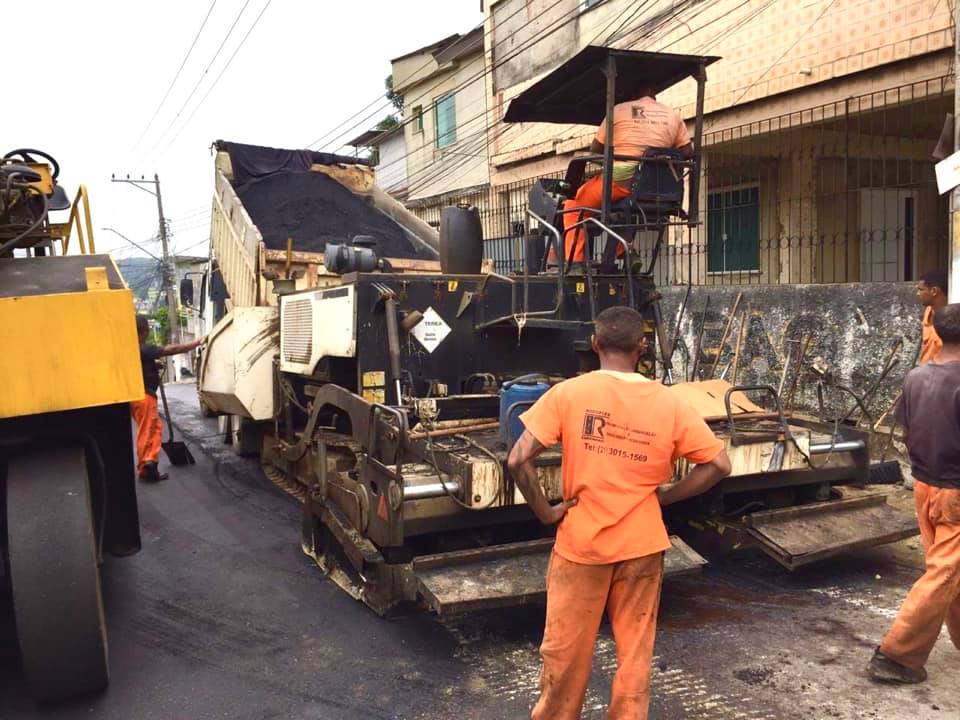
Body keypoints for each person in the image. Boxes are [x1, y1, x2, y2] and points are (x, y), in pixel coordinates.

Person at [507, 306, 731, 719]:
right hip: (643, 545)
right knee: (634, 654)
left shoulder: (569, 394)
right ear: (642, 348)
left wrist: (546, 512)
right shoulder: (670, 402)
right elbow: (719, 465)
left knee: (566, 654)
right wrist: (663, 499)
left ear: (594, 345)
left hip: (582, 546)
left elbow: (518, 459)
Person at [868, 303, 960, 683]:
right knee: (944, 572)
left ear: (935, 332)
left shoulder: (916, 376)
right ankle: (898, 656)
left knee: (948, 570)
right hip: (955, 491)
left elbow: (907, 432)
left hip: (925, 486)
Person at [557, 86, 694, 269]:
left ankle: (575, 263)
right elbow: (687, 152)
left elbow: (595, 150)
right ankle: (627, 251)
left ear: (633, 96)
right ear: (654, 97)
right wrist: (658, 161)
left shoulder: (618, 110)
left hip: (622, 180)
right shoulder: (672, 115)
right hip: (656, 187)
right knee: (622, 210)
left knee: (573, 205)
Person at [131, 314, 205, 482]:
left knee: (155, 427)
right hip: (144, 397)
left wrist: (153, 365)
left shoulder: (132, 349)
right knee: (147, 430)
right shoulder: (142, 347)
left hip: (138, 396)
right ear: (144, 331)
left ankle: (149, 463)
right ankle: (146, 466)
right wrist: (196, 342)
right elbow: (171, 350)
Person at [917, 270, 948, 364]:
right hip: (925, 372)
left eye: (921, 289)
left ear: (934, 291)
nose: (917, 293)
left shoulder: (952, 319)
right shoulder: (928, 312)